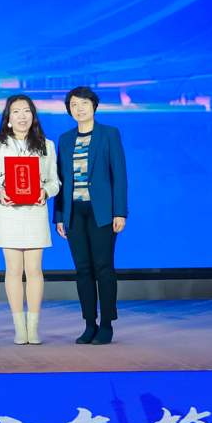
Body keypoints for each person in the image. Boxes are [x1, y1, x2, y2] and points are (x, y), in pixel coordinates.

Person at [54, 86, 128, 345]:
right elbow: (60, 179)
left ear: (94, 106)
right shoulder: (65, 139)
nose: (79, 108)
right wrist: (59, 215)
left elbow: (119, 175)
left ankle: (106, 324)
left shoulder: (109, 134)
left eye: (84, 103)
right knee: (82, 269)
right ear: (69, 110)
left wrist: (119, 212)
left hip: (102, 212)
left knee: (103, 267)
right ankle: (89, 324)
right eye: (74, 104)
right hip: (74, 212)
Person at [0, 94, 60, 345]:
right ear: (8, 117)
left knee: (35, 270)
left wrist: (45, 192)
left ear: (33, 115)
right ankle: (19, 327)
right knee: (13, 270)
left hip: (35, 212)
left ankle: (33, 327)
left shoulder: (46, 145)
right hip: (9, 212)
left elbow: (55, 181)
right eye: (16, 111)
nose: (22, 116)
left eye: (26, 111)